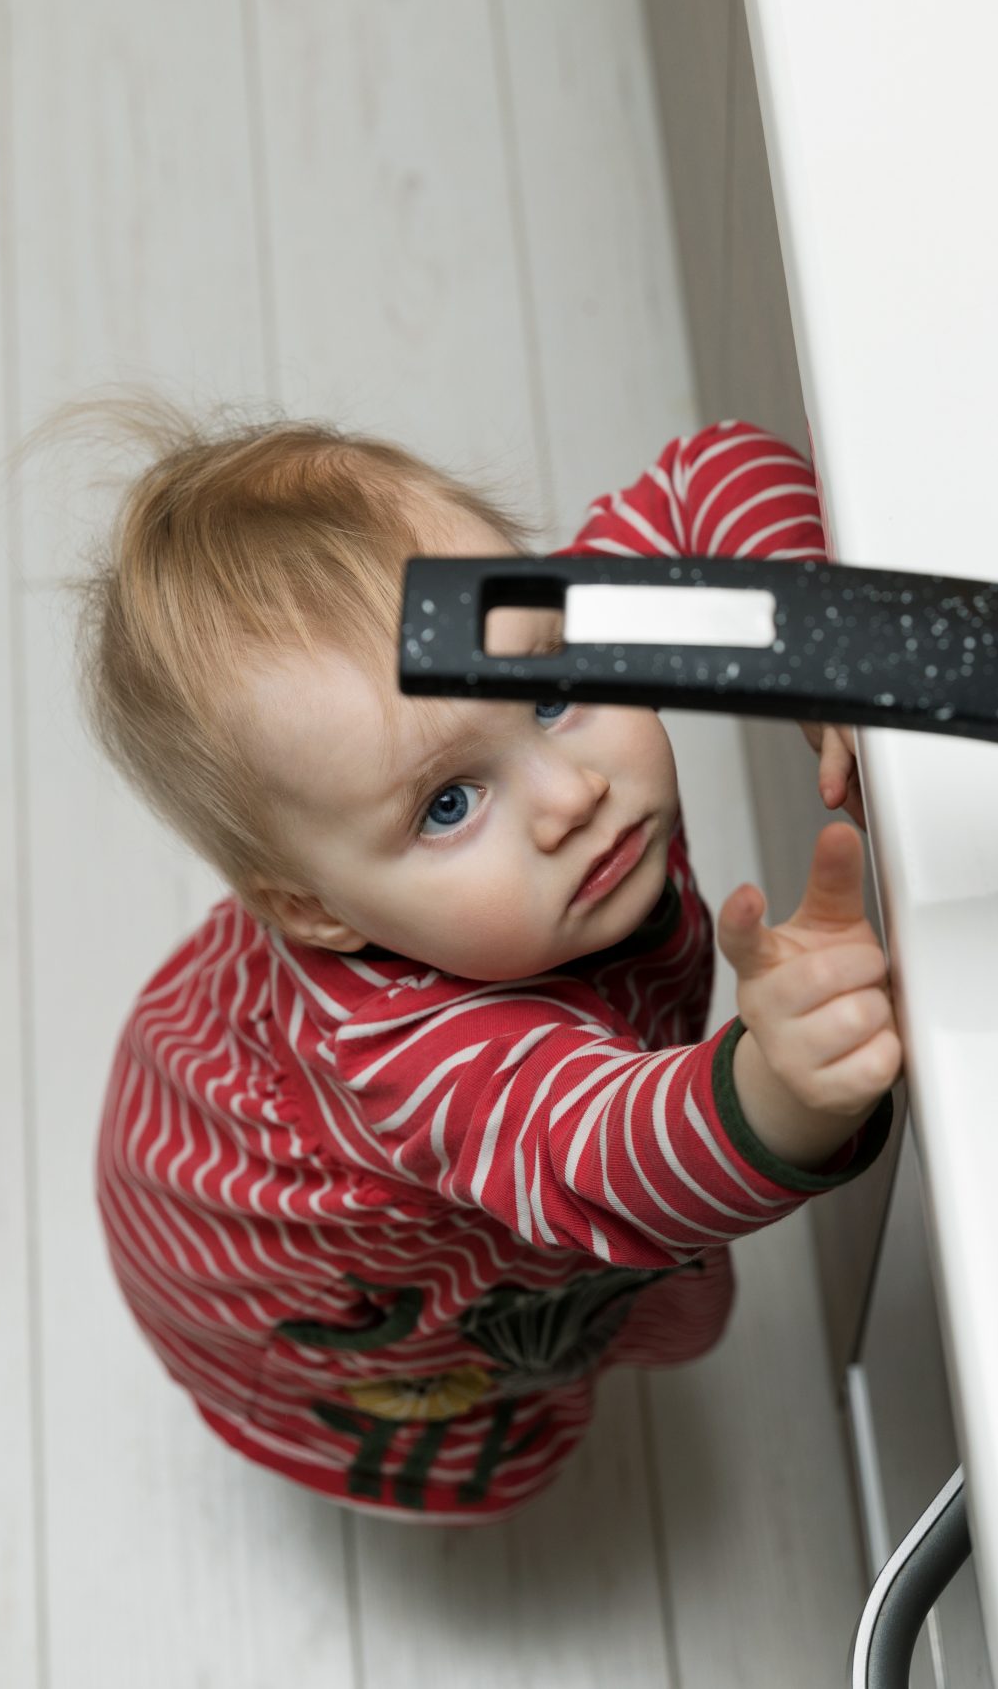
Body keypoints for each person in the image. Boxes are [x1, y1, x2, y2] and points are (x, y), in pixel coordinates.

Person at [77, 406, 898, 1520]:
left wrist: (813, 637)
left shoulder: (510, 634)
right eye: (449, 805)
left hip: (233, 1056)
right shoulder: (408, 1055)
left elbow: (717, 473)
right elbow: (604, 1152)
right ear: (313, 910)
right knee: (480, 1389)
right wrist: (779, 1089)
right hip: (299, 1268)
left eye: (554, 692)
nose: (571, 797)